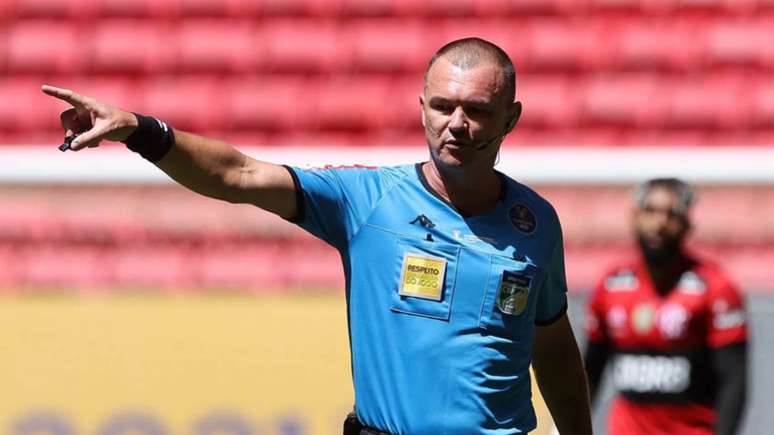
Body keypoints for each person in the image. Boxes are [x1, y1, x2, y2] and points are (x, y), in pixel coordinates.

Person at [42, 37, 592, 435]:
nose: (456, 123)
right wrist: (142, 130)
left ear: (510, 119)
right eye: (443, 106)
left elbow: (551, 342)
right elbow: (237, 174)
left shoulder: (535, 222)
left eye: (477, 110)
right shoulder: (367, 202)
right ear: (421, 106)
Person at [583, 178, 748, 435]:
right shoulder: (611, 286)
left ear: (687, 225)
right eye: (650, 211)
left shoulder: (715, 288)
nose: (659, 223)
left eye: (671, 214)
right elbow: (590, 373)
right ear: (634, 218)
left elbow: (734, 381)